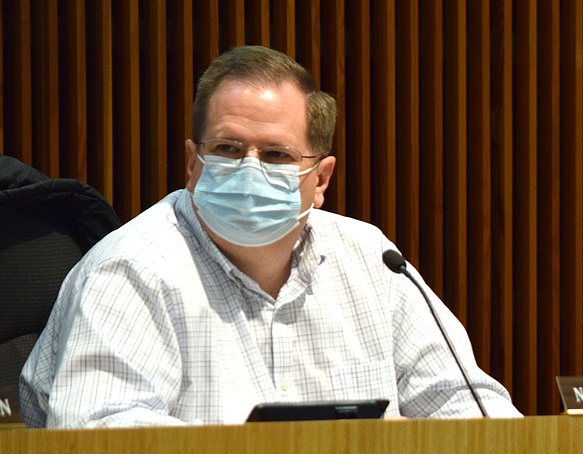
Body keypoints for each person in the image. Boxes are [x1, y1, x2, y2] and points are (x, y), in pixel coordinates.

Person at [20, 45, 520, 426]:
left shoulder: (372, 260)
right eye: (229, 149)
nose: (248, 170)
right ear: (193, 164)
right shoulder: (130, 269)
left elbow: (467, 404)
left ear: (320, 179)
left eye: (277, 155)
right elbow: (103, 437)